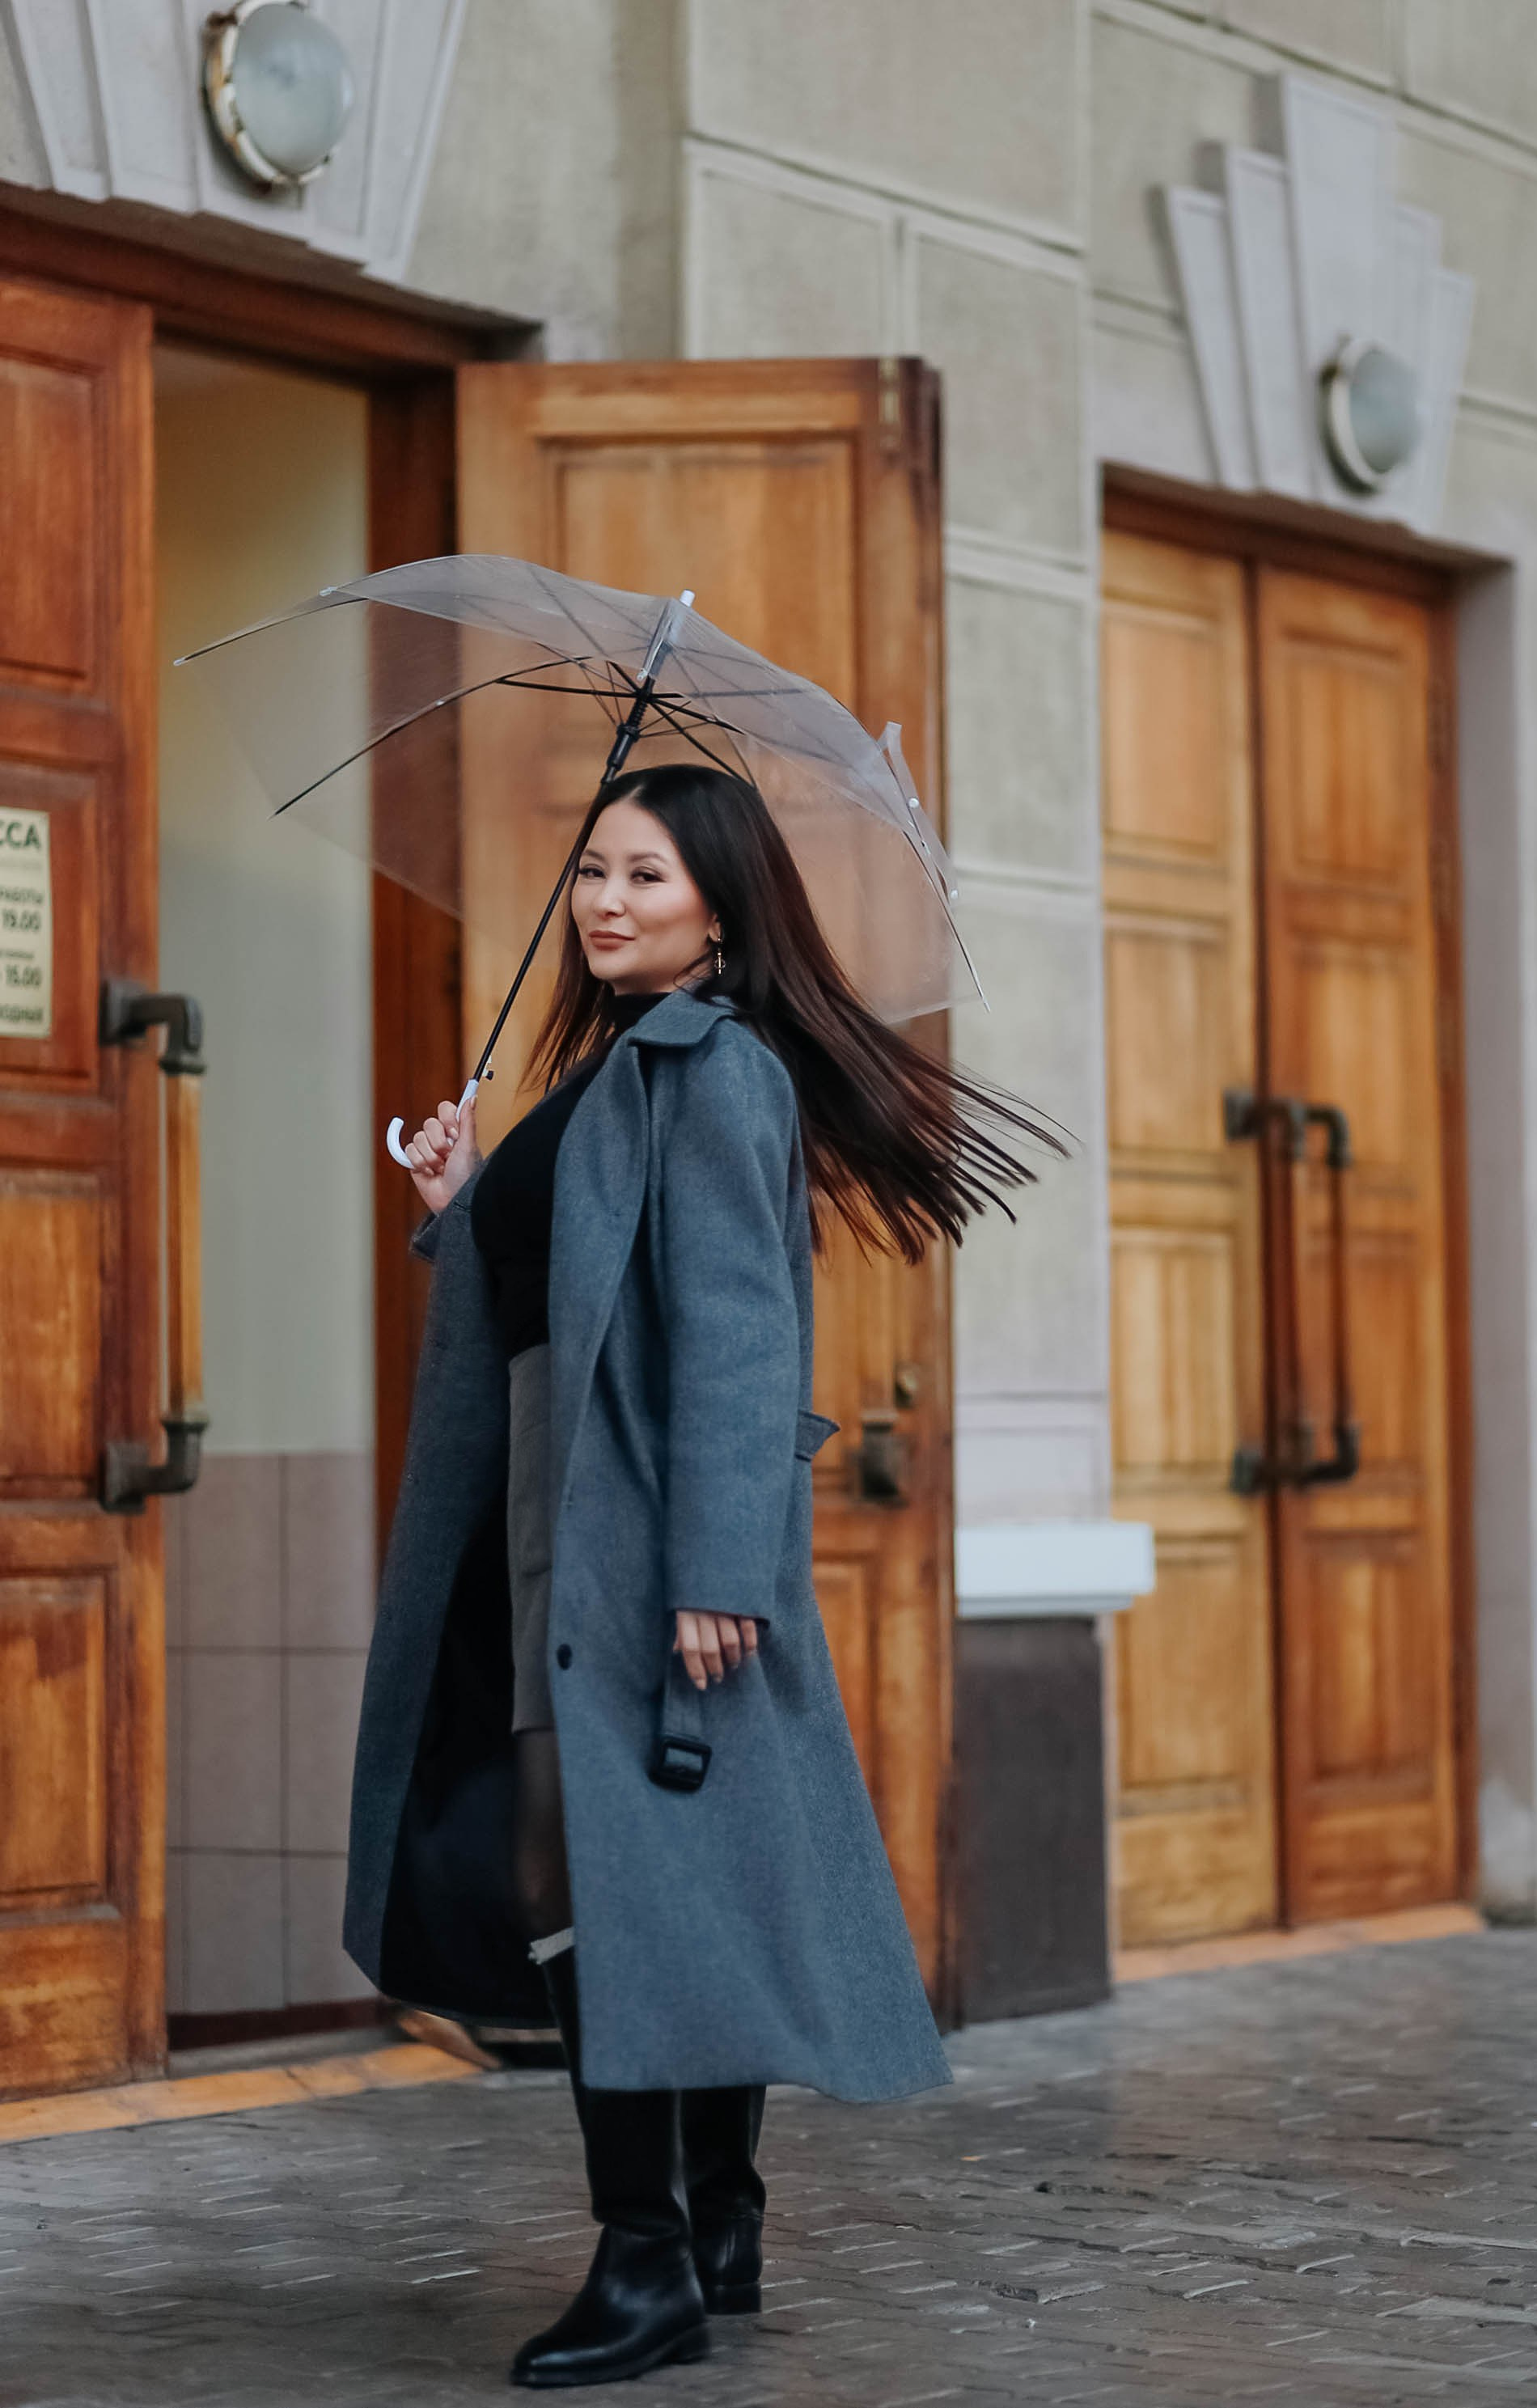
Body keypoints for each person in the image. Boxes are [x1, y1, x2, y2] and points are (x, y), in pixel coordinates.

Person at [341, 763, 1063, 2389]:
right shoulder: (617, 1076)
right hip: (565, 1529)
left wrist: (723, 1564)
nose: (605, 901)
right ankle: (716, 2213)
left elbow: (743, 1331)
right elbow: (551, 1299)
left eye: (646, 877)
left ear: (721, 907)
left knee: (601, 1888)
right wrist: (463, 1201)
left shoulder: (712, 1071)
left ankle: (648, 2262)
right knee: (667, 1878)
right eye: (592, 869)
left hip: (644, 1544)